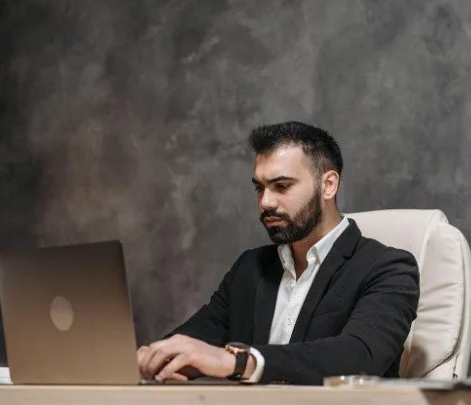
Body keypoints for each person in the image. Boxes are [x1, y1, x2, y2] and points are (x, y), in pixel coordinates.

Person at [137, 122, 420, 385]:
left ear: (328, 185)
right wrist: (153, 357)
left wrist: (240, 362)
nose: (266, 202)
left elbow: (361, 356)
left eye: (282, 186)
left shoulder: (389, 268)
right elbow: (193, 343)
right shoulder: (250, 268)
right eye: (259, 188)